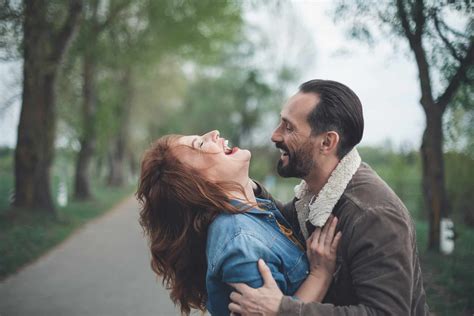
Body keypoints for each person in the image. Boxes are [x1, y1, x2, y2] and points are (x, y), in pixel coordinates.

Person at [229, 79, 429, 315]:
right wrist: (242, 185)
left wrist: (284, 310)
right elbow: (286, 222)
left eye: (289, 127)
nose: (275, 135)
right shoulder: (317, 193)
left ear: (327, 142)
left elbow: (388, 312)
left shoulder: (373, 215)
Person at [136, 131, 342, 315]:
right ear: (196, 183)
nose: (214, 133)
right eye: (200, 144)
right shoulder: (241, 244)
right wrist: (320, 275)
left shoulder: (255, 209)